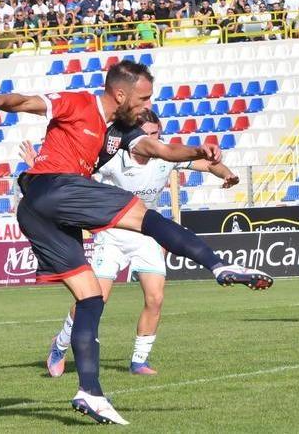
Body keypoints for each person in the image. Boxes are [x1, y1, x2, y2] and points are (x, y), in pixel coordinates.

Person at [0, 60, 273, 425]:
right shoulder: (79, 103)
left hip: (36, 211)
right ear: (121, 93)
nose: (146, 106)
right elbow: (27, 101)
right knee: (146, 218)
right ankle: (219, 266)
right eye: (143, 99)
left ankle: (89, 392)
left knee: (90, 298)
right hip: (56, 187)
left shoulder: (121, 132)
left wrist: (197, 151)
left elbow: (161, 151)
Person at [38, 110, 240, 377]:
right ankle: (60, 345)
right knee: (95, 298)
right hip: (111, 233)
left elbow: (205, 163)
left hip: (146, 234)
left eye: (156, 134)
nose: (152, 140)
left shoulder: (165, 158)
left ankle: (139, 361)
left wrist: (226, 174)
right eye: (147, 134)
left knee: (155, 298)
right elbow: (78, 171)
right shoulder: (113, 158)